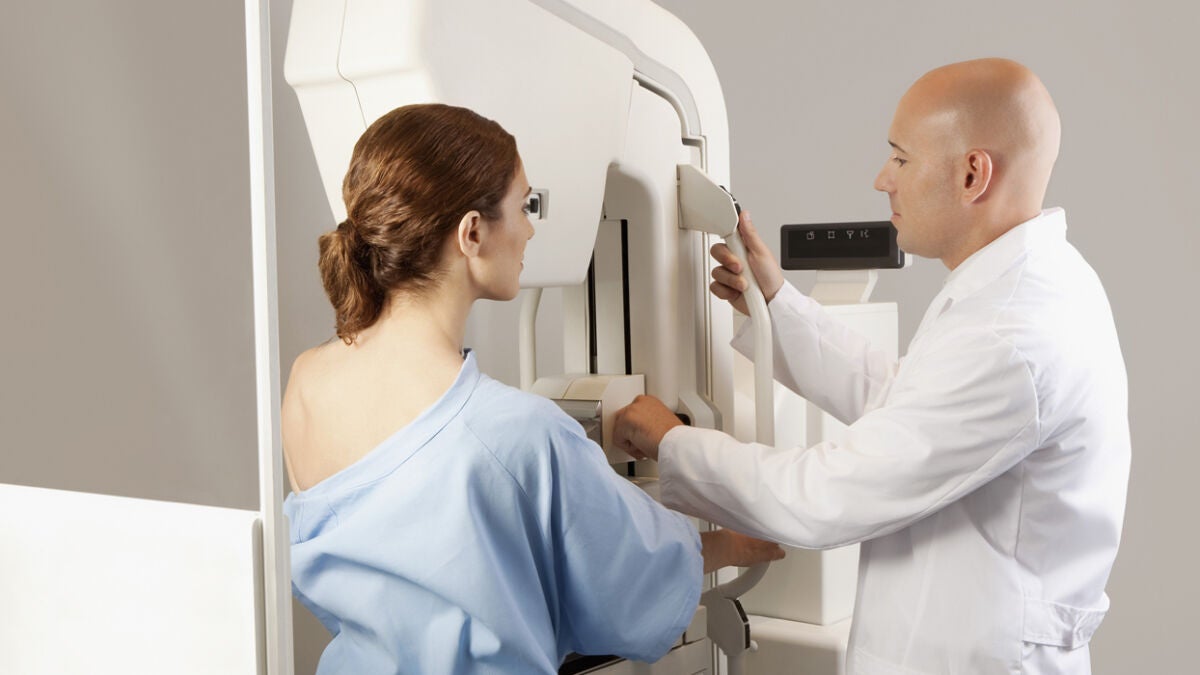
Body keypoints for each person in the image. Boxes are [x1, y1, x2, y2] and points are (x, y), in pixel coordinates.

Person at [613, 58, 1129, 674]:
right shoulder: (1027, 285)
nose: (882, 179)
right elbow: (907, 401)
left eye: (901, 159)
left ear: (973, 174)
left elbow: (830, 495)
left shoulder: (1012, 332)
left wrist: (673, 442)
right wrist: (776, 304)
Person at [280, 103, 782, 675]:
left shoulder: (306, 383)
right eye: (524, 206)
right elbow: (629, 585)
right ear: (472, 232)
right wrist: (739, 542)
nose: (530, 229)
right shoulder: (517, 432)